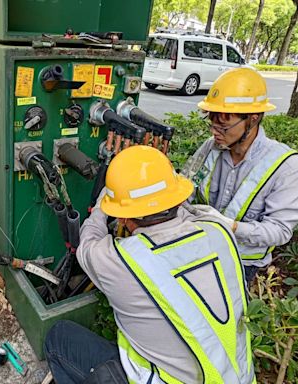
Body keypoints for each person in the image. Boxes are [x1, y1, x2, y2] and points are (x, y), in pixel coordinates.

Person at [45, 146, 255, 384]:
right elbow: (193, 214)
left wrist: (103, 205)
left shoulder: (121, 260)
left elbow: (87, 242)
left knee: (58, 337)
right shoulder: (220, 232)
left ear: (124, 217)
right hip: (239, 379)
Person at [183, 68, 298, 283]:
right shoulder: (210, 148)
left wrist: (230, 226)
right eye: (212, 122)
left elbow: (280, 231)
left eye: (223, 125)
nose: (214, 132)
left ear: (253, 119)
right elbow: (186, 186)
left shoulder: (287, 167)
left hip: (243, 265)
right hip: (201, 251)